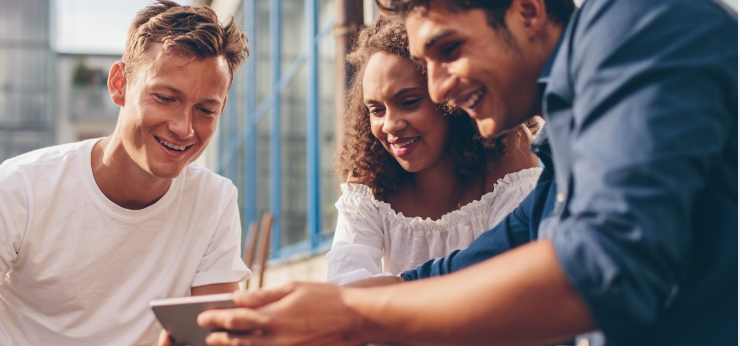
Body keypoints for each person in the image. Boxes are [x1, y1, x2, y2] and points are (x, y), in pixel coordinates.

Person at [191, 0, 738, 345]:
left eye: (448, 49)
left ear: (528, 10)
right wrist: (315, 308)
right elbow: (507, 246)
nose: (438, 88)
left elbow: (602, 269)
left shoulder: (643, 26)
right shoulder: (568, 114)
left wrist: (354, 316)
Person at [0, 1, 252, 344]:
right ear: (120, 85)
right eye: (164, 98)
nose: (184, 128)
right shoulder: (20, 188)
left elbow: (214, 335)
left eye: (206, 109)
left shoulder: (214, 200)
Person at [327, 16, 541, 285]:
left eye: (410, 102)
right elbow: (344, 287)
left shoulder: (508, 154)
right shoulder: (370, 180)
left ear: (452, 97)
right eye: (376, 110)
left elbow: (512, 279)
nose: (390, 125)